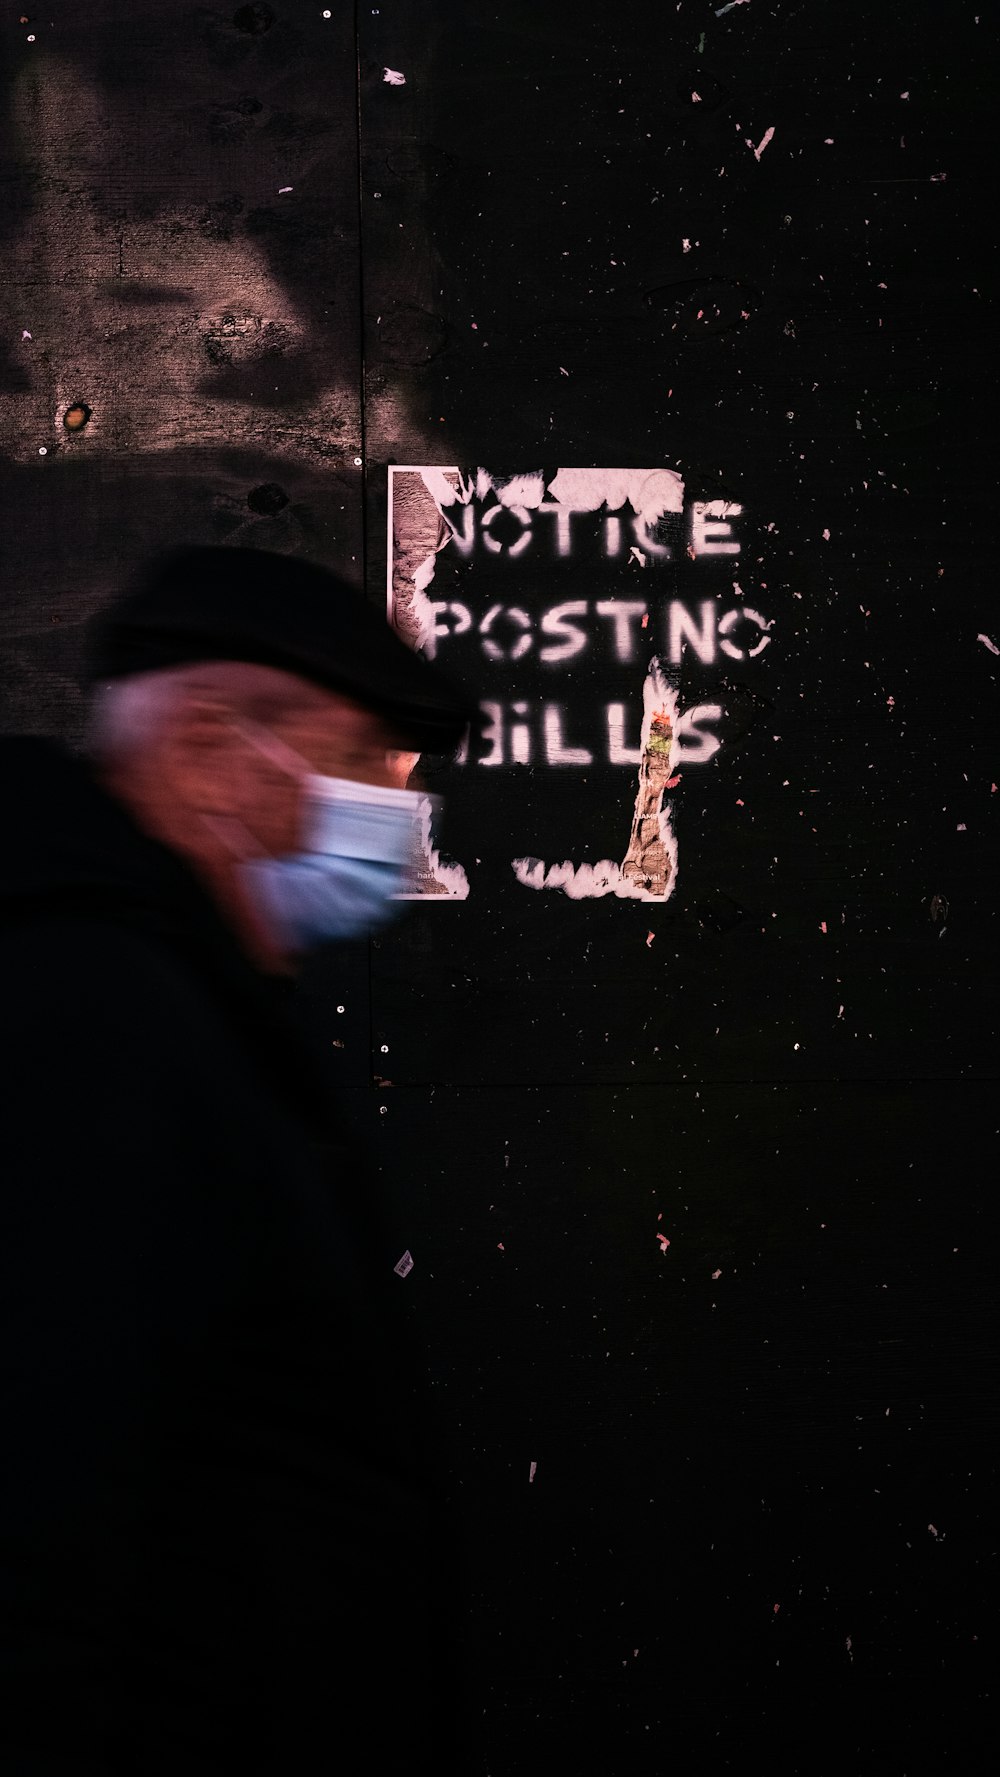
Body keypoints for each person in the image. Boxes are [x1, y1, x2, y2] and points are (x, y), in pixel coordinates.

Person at [0, 546, 479, 1776]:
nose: (391, 813)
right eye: (358, 765)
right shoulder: (87, 1008)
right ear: (210, 744)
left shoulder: (164, 986)